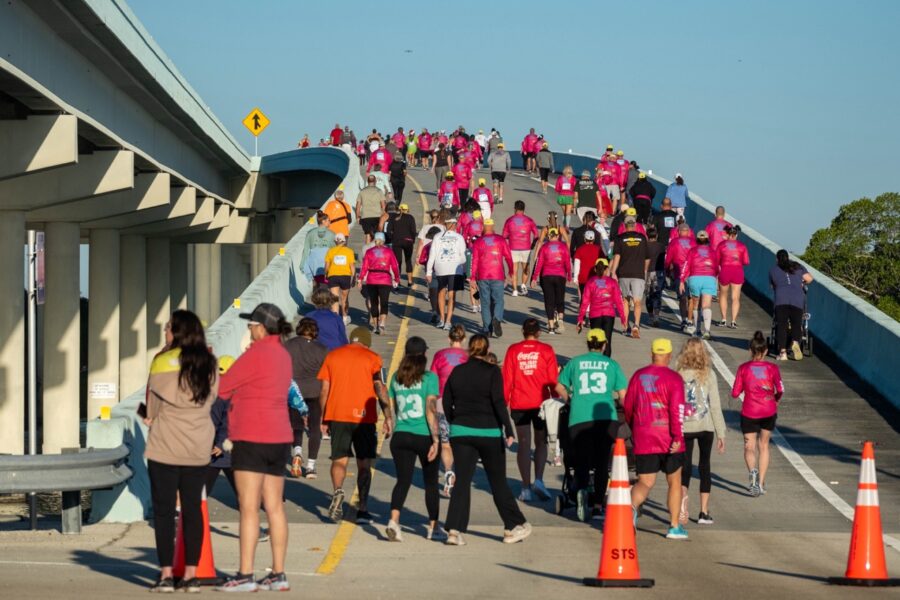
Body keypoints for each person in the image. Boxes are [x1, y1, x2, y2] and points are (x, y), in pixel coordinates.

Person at [217, 304, 293, 591]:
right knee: (274, 507)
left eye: (250, 325)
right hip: (279, 436)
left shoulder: (254, 354)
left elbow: (223, 388)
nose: (248, 329)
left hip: (251, 435)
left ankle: (245, 574)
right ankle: (278, 573)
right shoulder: (283, 356)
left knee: (248, 507)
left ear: (261, 327)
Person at [144, 310, 218, 593]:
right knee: (192, 511)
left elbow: (151, 410)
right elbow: (210, 400)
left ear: (176, 332)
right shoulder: (209, 364)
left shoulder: (161, 362)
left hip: (165, 445)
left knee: (164, 512)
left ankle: (165, 575)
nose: (165, 333)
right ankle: (190, 575)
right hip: (198, 445)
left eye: (167, 329)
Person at [443, 334, 532, 546]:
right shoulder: (492, 372)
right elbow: (498, 402)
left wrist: (454, 421)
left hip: (461, 431)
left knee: (462, 482)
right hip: (488, 432)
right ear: (486, 349)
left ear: (470, 349)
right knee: (498, 482)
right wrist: (508, 429)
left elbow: (446, 400)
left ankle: (454, 531)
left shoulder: (457, 371)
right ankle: (513, 525)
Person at [318, 326, 393, 524]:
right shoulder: (373, 358)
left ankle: (338, 491)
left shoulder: (332, 356)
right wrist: (388, 416)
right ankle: (363, 509)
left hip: (338, 414)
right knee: (364, 464)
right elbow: (380, 387)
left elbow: (324, 389)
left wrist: (323, 418)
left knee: (339, 460)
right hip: (364, 418)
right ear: (366, 342)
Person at [554, 328, 628, 521]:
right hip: (605, 418)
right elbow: (623, 396)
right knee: (603, 462)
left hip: (579, 417)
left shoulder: (575, 362)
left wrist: (569, 399)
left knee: (581, 460)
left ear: (588, 344)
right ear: (604, 345)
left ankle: (580, 490)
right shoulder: (611, 364)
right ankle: (596, 506)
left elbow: (559, 386)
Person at [624, 338, 688, 540]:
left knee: (645, 482)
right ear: (669, 356)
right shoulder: (674, 378)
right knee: (674, 481)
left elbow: (628, 406)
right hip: (668, 436)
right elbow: (677, 409)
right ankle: (674, 526)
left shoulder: (638, 376)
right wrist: (677, 435)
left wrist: (636, 426)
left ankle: (629, 511)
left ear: (652, 354)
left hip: (644, 435)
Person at [385, 337, 444, 542]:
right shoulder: (429, 378)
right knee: (430, 483)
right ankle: (433, 527)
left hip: (401, 434)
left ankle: (394, 520)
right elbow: (430, 410)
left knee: (403, 481)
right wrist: (436, 440)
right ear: (424, 355)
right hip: (423, 436)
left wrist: (388, 421)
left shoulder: (395, 377)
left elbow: (389, 404)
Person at [502, 319, 559, 501]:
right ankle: (539, 480)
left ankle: (525, 487)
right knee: (541, 442)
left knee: (524, 444)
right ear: (539, 332)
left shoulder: (513, 350)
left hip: (520, 402)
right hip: (542, 403)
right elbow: (553, 380)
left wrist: (503, 402)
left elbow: (507, 379)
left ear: (523, 331)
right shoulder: (546, 350)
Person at [675, 338, 726, 525]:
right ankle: (704, 511)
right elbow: (715, 406)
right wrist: (721, 433)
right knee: (705, 465)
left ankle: (682, 504)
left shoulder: (678, 374)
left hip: (685, 425)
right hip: (705, 425)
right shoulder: (709, 374)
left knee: (685, 465)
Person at [732, 331, 784, 496]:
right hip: (768, 410)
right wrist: (775, 399)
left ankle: (752, 472)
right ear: (766, 351)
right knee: (764, 446)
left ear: (750, 350)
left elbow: (735, 393)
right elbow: (781, 389)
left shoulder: (743, 369)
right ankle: (760, 483)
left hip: (749, 411)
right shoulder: (772, 368)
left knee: (749, 446)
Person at [285, 318, 329, 480]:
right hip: (315, 392)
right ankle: (310, 466)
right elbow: (327, 376)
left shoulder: (288, 345)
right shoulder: (322, 349)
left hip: (294, 392)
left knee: (296, 425)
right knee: (314, 428)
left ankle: (297, 452)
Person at [430, 324, 468, 495]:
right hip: (463, 404)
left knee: (445, 443)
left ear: (449, 339)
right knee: (460, 443)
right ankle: (459, 477)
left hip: (442, 403)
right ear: (464, 339)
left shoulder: (439, 355)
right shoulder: (468, 357)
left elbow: (432, 379)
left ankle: (448, 472)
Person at [471, 218, 513, 338]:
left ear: (483, 228)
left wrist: (473, 277)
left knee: (485, 303)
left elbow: (475, 261)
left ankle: (487, 329)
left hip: (483, 276)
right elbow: (508, 257)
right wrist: (511, 272)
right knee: (498, 300)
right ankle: (497, 318)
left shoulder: (478, 241)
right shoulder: (500, 240)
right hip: (497, 275)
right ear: (493, 227)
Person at [769, 250, 814, 361]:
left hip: (781, 299)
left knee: (781, 326)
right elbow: (809, 279)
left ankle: (783, 353)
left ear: (777, 259)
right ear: (788, 258)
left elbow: (772, 287)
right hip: (797, 299)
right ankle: (795, 342)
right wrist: (801, 283)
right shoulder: (798, 266)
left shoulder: (773, 270)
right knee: (796, 324)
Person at [577, 259, 627, 356]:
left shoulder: (590, 282)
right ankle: (606, 364)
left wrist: (580, 318)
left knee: (595, 342)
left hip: (595, 315)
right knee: (607, 341)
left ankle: (596, 361)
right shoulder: (612, 282)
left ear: (595, 269)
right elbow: (618, 301)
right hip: (609, 314)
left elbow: (585, 301)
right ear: (607, 269)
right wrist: (623, 318)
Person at [610, 216, 650, 338]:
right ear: (635, 225)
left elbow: (617, 256)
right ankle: (636, 325)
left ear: (625, 225)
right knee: (637, 301)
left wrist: (613, 272)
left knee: (625, 300)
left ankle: (625, 326)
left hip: (624, 273)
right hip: (638, 274)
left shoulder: (620, 238)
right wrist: (644, 270)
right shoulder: (642, 238)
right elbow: (647, 258)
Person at [426, 217, 467, 330]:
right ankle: (448, 321)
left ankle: (441, 319)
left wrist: (429, 272)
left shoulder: (437, 236)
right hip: (455, 269)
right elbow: (463, 257)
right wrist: (465, 271)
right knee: (452, 295)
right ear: (454, 225)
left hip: (440, 268)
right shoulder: (459, 237)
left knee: (441, 292)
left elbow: (432, 255)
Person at [680, 230, 719, 339]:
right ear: (708, 240)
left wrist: (682, 280)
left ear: (697, 240)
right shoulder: (712, 251)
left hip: (695, 278)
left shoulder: (692, 251)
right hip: (709, 278)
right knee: (706, 305)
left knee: (696, 304)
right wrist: (714, 276)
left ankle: (697, 330)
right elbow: (716, 268)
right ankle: (707, 330)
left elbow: (686, 266)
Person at [531, 228, 571, 334]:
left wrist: (534, 277)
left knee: (549, 301)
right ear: (558, 236)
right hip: (560, 275)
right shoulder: (563, 247)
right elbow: (567, 262)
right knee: (560, 299)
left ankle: (551, 327)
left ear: (548, 236)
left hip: (547, 276)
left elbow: (539, 263)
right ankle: (561, 319)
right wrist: (570, 276)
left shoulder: (544, 247)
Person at [359, 232, 400, 334]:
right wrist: (397, 278)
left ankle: (375, 324)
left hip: (372, 279)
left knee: (374, 303)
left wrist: (360, 278)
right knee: (384, 303)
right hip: (385, 279)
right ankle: (382, 324)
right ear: (384, 240)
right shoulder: (388, 251)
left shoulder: (369, 252)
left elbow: (364, 267)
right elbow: (395, 266)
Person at [502, 201, 539, 297]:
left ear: (515, 208)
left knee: (514, 270)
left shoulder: (509, 220)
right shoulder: (529, 220)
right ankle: (523, 285)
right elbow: (536, 235)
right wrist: (533, 244)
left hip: (513, 247)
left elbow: (504, 235)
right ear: (524, 209)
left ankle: (514, 290)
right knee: (526, 268)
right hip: (526, 247)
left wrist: (511, 237)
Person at [716, 225, 749, 328]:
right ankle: (733, 321)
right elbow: (746, 261)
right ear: (736, 235)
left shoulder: (721, 245)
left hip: (725, 270)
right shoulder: (742, 246)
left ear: (727, 234)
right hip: (737, 271)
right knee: (735, 298)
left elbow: (716, 259)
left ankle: (723, 319)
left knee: (723, 295)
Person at [664, 223, 696, 328]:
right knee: (691, 298)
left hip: (679, 273)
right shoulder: (694, 243)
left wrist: (667, 270)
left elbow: (668, 258)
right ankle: (690, 319)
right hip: (692, 273)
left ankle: (684, 319)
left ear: (678, 232)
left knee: (682, 297)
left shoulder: (674, 242)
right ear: (689, 232)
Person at [324, 233, 355, 324]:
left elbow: (326, 266)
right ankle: (345, 318)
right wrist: (354, 278)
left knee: (334, 298)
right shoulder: (349, 251)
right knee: (344, 298)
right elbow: (352, 266)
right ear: (344, 241)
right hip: (345, 276)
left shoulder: (330, 251)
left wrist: (325, 274)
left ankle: (336, 318)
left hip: (333, 276)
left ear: (335, 241)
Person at [306, 286, 349, 351]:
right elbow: (343, 338)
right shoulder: (337, 318)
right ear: (330, 302)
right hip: (335, 351)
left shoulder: (309, 317)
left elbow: (304, 338)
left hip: (316, 352)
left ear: (314, 301)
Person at [387, 203, 418, 287]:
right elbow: (413, 231)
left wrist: (392, 238)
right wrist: (413, 241)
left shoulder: (393, 218)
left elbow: (388, 230)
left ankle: (398, 281)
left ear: (399, 209)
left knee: (398, 262)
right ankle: (410, 281)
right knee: (408, 261)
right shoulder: (410, 218)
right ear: (407, 210)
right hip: (408, 242)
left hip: (396, 241)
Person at [301, 211, 336, 285]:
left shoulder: (310, 233)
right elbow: (335, 252)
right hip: (327, 266)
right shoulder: (332, 234)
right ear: (323, 221)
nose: (330, 222)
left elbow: (306, 250)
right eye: (329, 220)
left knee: (316, 286)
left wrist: (302, 265)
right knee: (327, 287)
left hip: (314, 265)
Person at [645, 226, 667, 327]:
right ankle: (656, 316)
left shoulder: (644, 246)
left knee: (649, 295)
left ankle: (650, 317)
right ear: (656, 236)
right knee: (657, 294)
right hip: (659, 272)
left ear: (647, 235)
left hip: (648, 272)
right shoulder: (661, 246)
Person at [573, 229, 604, 295]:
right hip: (595, 277)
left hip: (583, 278)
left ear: (584, 239)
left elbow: (577, 264)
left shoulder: (580, 249)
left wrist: (575, 277)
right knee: (595, 298)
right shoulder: (599, 249)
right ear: (594, 239)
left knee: (584, 298)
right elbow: (603, 263)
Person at [357, 175, 387, 243]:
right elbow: (383, 205)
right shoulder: (379, 191)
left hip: (365, 216)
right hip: (377, 216)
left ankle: (367, 250)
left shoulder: (362, 192)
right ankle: (376, 249)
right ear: (375, 181)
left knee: (368, 234)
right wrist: (384, 214)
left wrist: (358, 217)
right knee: (377, 234)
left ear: (367, 181)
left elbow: (358, 205)